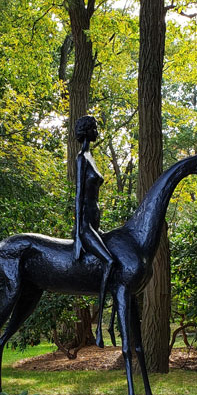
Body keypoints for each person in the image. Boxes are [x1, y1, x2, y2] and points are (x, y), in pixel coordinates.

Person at [73, 115, 116, 347]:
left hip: (96, 224)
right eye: (95, 128)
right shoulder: (82, 158)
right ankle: (101, 327)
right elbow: (79, 196)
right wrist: (80, 235)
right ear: (87, 131)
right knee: (109, 262)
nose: (97, 131)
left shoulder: (91, 157)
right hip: (85, 226)